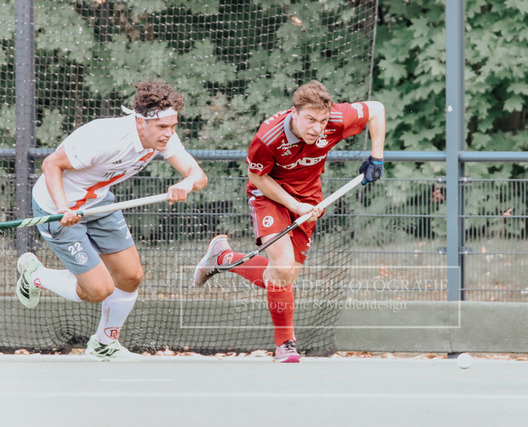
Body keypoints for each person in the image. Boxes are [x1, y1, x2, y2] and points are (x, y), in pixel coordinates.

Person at [193, 80, 385, 363]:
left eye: (322, 121)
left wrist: (376, 157)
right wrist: (294, 205)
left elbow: (377, 109)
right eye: (310, 119)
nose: (317, 128)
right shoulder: (268, 137)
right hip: (269, 195)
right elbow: (257, 177)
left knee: (282, 277)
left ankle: (223, 258)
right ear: (294, 113)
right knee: (282, 268)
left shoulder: (335, 118)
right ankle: (285, 345)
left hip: (309, 198)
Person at [16, 80, 208, 361]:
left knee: (131, 276)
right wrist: (62, 208)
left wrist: (186, 183)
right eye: (162, 127)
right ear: (140, 122)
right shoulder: (104, 137)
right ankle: (35, 276)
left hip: (99, 203)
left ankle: (105, 344)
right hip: (57, 206)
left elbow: (198, 175)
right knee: (98, 290)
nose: (169, 133)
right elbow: (51, 164)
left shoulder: (164, 139)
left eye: (173, 126)